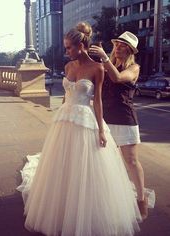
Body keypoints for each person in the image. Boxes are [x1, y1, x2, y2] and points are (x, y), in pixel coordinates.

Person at [17, 23, 141, 236]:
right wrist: (60, 114)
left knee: (99, 164)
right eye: (65, 48)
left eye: (69, 48)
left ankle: (140, 200)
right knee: (63, 163)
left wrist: (101, 130)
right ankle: (63, 207)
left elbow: (100, 98)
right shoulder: (68, 67)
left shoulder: (100, 67)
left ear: (81, 46)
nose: (66, 52)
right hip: (66, 118)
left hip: (93, 117)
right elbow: (67, 95)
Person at [89, 31, 154, 220]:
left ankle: (141, 200)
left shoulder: (134, 68)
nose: (118, 48)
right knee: (109, 160)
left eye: (123, 46)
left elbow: (117, 78)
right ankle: (112, 196)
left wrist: (103, 58)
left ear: (130, 51)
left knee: (131, 161)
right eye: (117, 44)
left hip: (125, 119)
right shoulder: (104, 64)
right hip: (105, 119)